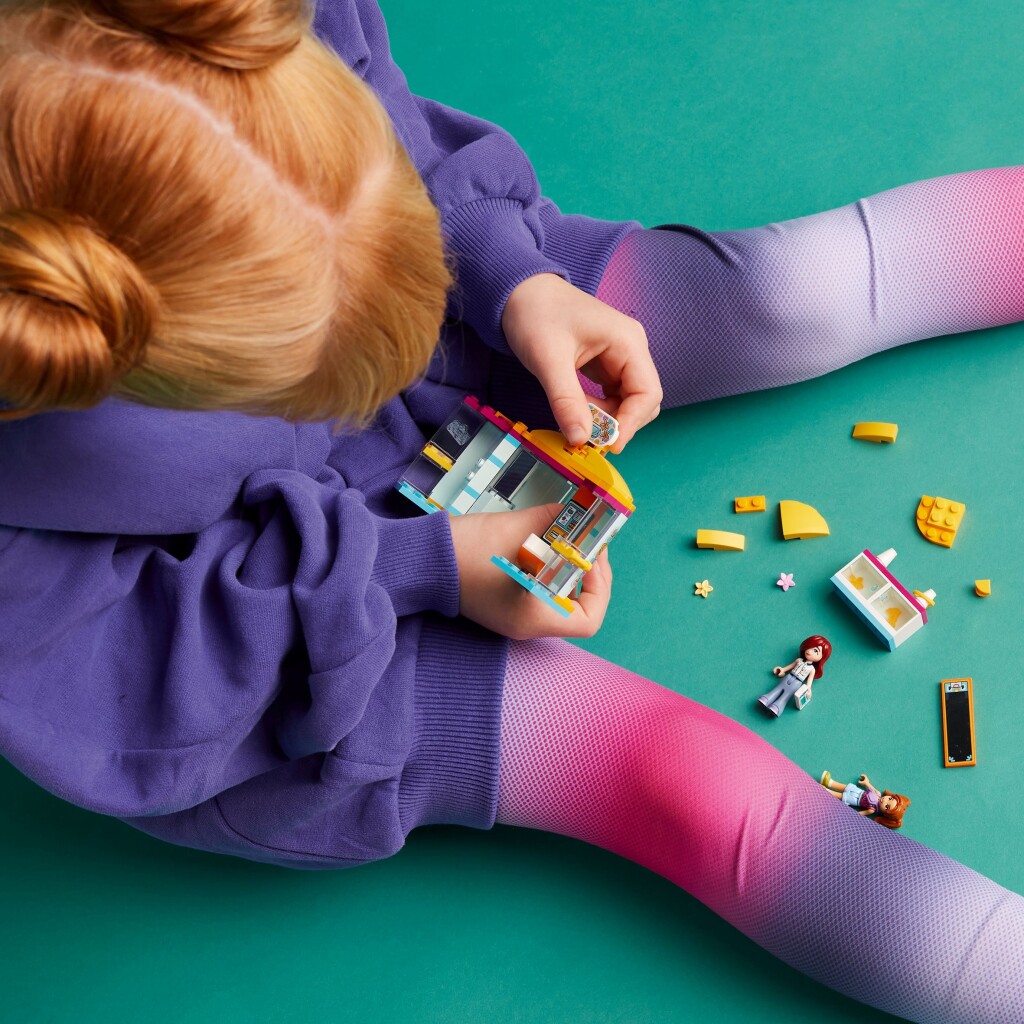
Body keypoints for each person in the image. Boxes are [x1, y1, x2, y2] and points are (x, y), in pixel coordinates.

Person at [0, 3, 1022, 1022]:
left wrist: (507, 274)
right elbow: (132, 683)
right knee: (685, 779)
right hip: (276, 648)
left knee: (788, 293)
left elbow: (373, 104)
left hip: (456, 303)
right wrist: (428, 566)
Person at [757, 635, 831, 717]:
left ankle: (777, 707)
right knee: (778, 688)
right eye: (810, 647)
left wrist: (808, 690)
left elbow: (809, 682)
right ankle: (767, 698)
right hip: (788, 676)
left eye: (815, 651)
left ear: (821, 658)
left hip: (797, 683)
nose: (809, 651)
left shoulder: (812, 669)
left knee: (786, 695)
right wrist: (782, 670)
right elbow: (790, 666)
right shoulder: (799, 660)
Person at [820, 771, 911, 829]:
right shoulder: (878, 794)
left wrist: (853, 816)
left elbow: (861, 814)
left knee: (841, 796)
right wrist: (866, 782)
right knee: (845, 787)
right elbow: (870, 787)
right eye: (890, 798)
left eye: (887, 806)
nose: (885, 801)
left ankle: (825, 791)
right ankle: (830, 782)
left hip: (855, 800)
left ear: (885, 813)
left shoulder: (872, 809)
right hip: (858, 791)